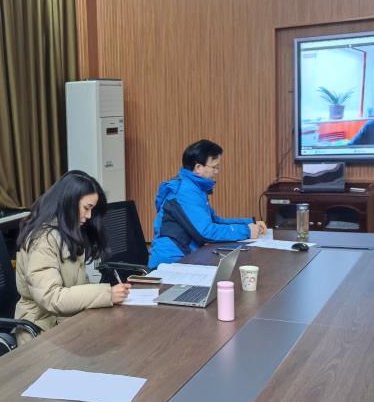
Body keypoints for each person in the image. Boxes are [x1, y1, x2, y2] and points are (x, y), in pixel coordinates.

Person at [14, 170, 130, 334]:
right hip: (41, 330)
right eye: (86, 208)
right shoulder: (42, 240)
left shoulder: (68, 232)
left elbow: (77, 287)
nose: (89, 215)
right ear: (69, 202)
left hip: (66, 321)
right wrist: (106, 294)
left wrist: (107, 295)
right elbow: (52, 298)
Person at [148, 140, 266, 269]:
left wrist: (249, 223)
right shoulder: (185, 191)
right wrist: (246, 231)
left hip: (187, 256)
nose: (217, 171)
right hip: (171, 262)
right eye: (214, 167)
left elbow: (215, 221)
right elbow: (206, 232)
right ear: (198, 168)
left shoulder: (194, 187)